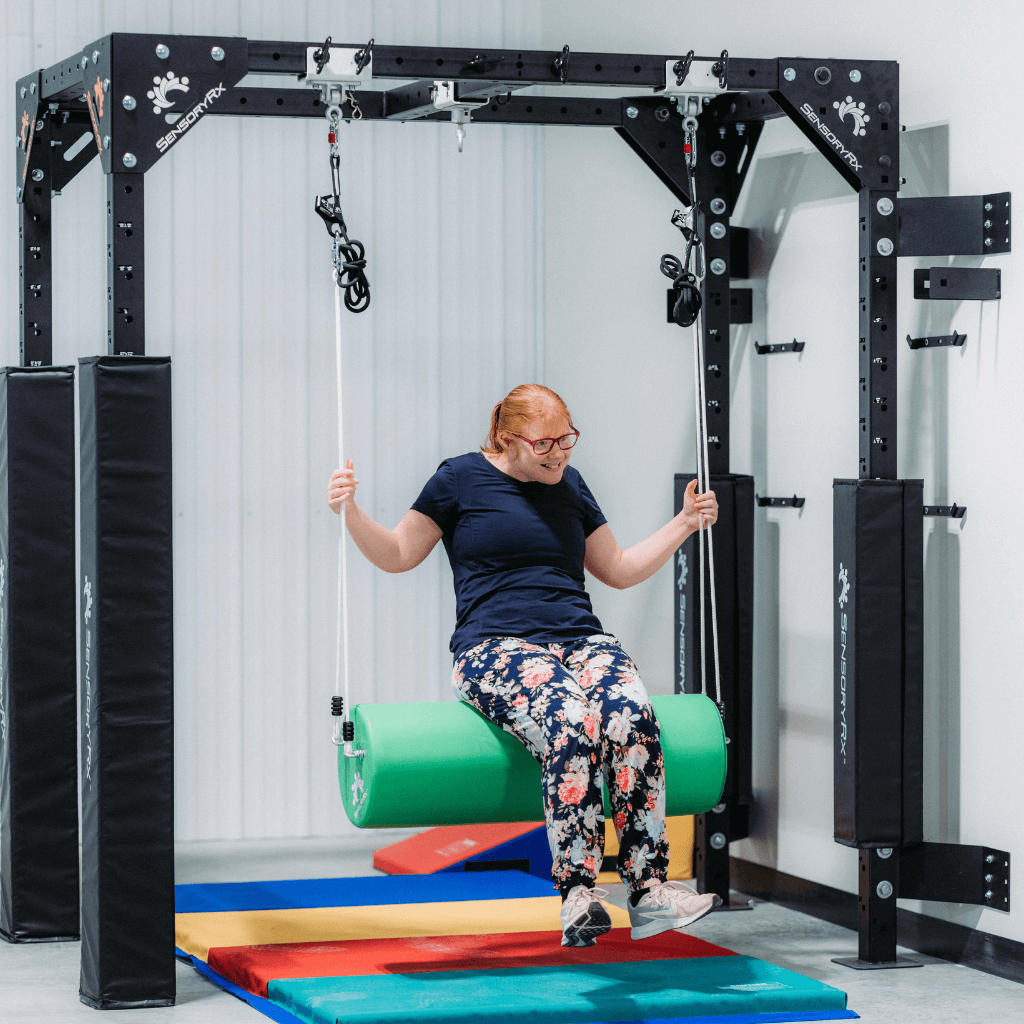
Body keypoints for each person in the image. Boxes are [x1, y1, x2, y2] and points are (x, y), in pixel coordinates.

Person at [327, 383, 720, 947]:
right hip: (495, 646)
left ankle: (649, 889)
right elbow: (397, 554)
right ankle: (580, 895)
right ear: (507, 440)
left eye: (568, 439)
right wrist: (351, 512)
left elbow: (618, 567)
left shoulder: (571, 485)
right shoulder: (458, 479)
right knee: (570, 720)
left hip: (579, 638)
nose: (559, 454)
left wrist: (684, 523)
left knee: (631, 714)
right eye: (545, 444)